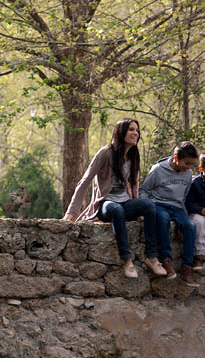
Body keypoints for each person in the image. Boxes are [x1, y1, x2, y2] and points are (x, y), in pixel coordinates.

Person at [64, 119, 167, 279]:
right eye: (131, 129)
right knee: (116, 209)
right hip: (106, 204)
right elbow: (85, 181)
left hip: (126, 202)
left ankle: (152, 258)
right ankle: (127, 260)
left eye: (137, 130)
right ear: (121, 132)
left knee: (149, 206)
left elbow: (135, 184)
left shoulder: (133, 155)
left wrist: (138, 209)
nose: (135, 133)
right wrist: (72, 212)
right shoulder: (106, 152)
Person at [140, 141, 200, 287]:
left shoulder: (188, 173)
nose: (189, 167)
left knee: (190, 226)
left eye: (192, 164)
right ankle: (165, 259)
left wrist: (186, 213)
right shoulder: (158, 170)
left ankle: (187, 267)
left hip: (177, 206)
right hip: (158, 204)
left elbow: (184, 195)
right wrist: (146, 208)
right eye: (187, 163)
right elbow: (144, 190)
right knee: (163, 219)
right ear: (176, 158)